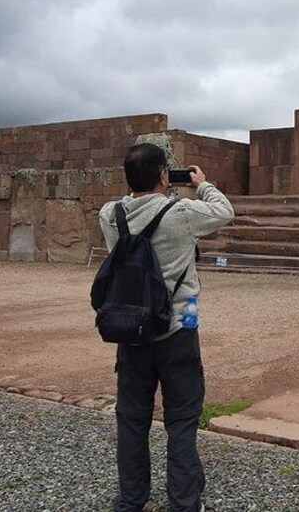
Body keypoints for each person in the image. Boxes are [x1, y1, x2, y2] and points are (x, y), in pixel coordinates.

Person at [99, 143, 234, 512]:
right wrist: (201, 184)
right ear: (163, 176)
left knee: (131, 421)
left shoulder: (110, 215)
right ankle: (185, 502)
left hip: (131, 330)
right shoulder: (183, 213)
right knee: (182, 421)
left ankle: (131, 500)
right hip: (176, 330)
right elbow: (224, 211)